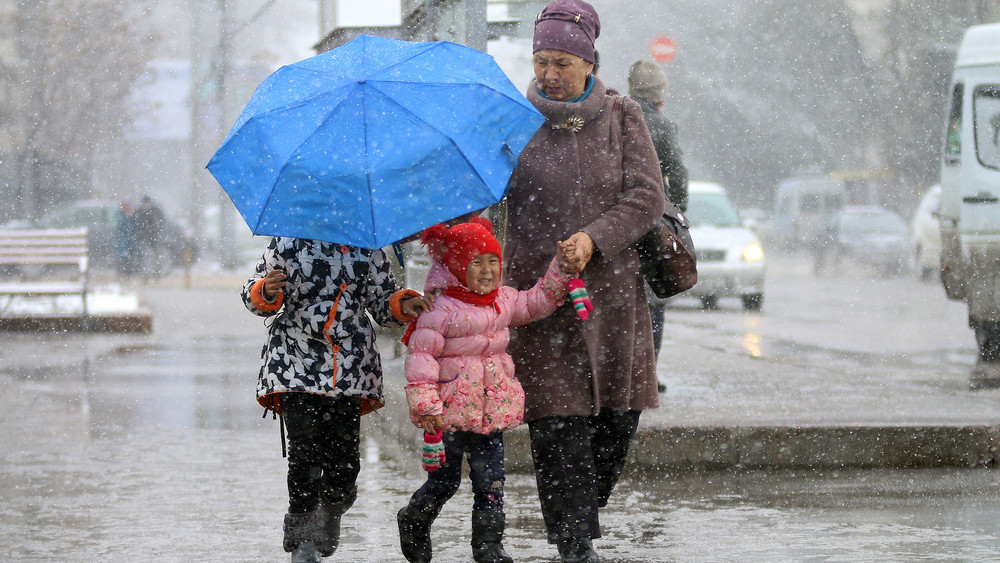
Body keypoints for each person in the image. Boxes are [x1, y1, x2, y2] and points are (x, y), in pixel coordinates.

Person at [502, 1, 666, 561]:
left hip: (613, 296)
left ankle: (578, 515)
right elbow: (484, 196)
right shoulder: (511, 121)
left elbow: (647, 197)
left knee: (619, 421)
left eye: (561, 62)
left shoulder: (623, 117)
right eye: (541, 60)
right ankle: (574, 541)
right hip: (540, 297)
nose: (548, 73)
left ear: (589, 63)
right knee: (557, 421)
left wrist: (595, 237)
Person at [241, 237, 432, 563]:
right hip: (295, 363)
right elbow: (252, 294)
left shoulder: (368, 248)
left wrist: (402, 304)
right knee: (303, 455)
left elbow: (381, 300)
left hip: (349, 367)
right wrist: (267, 290)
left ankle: (333, 505)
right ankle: (303, 539)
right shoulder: (287, 242)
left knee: (344, 463)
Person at [397, 217, 571, 563]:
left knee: (491, 483)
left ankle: (488, 545)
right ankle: (414, 518)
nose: (487, 269)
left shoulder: (502, 301)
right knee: (444, 483)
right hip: (447, 415)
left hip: (490, 413)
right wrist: (426, 405)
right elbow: (421, 358)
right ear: (457, 266)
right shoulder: (439, 308)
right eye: (476, 262)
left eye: (493, 260)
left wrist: (561, 270)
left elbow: (538, 301)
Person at [627, 60, 689, 388]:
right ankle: (647, 373)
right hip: (650, 223)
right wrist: (677, 211)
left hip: (618, 220)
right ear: (660, 97)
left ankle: (622, 369)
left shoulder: (619, 115)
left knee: (622, 296)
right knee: (652, 300)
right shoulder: (662, 126)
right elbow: (677, 173)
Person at [133, 195, 166, 281]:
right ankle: (145, 275)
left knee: (155, 256)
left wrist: (156, 229)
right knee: (144, 257)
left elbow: (161, 222)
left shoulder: (155, 211)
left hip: (154, 238)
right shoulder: (139, 212)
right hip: (143, 238)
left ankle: (156, 273)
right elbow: (136, 224)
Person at [114, 200, 138, 278]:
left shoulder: (131, 217)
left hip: (130, 241)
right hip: (124, 241)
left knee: (130, 258)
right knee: (124, 258)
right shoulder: (121, 217)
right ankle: (124, 273)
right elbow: (120, 230)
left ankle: (128, 273)